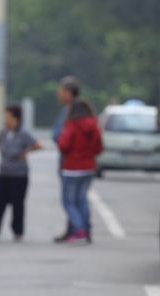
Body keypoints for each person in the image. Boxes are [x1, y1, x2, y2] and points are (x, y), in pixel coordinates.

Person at [0, 105, 42, 242]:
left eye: (8, 116)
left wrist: (25, 152)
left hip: (19, 174)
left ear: (15, 118)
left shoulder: (23, 133)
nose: (6, 119)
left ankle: (18, 231)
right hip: (4, 172)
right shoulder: (3, 132)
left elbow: (38, 145)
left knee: (17, 204)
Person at [57, 100, 102, 245]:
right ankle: (86, 230)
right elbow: (99, 148)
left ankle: (79, 230)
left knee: (69, 202)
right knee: (82, 199)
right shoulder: (94, 126)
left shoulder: (72, 125)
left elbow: (64, 145)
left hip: (72, 168)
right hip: (88, 167)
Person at [52, 75, 85, 242]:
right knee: (79, 199)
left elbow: (59, 135)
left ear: (69, 92)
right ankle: (76, 229)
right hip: (83, 162)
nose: (59, 93)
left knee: (70, 200)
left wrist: (61, 142)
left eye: (61, 90)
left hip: (70, 162)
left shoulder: (71, 112)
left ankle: (79, 230)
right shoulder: (83, 110)